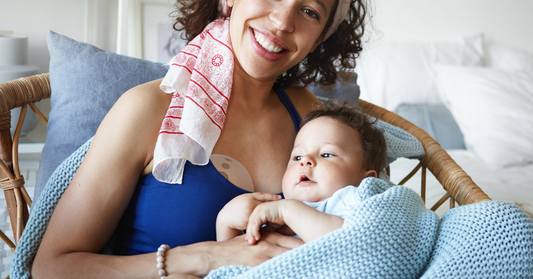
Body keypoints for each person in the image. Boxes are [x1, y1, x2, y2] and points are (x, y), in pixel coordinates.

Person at [31, 0, 370, 277]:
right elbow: (52, 268)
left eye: (310, 11)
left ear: (320, 37)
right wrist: (205, 257)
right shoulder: (148, 109)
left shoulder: (313, 119)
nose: (283, 21)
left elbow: (373, 221)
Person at [216, 101, 387, 244]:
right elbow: (234, 261)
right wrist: (226, 225)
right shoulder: (270, 216)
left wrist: (287, 211)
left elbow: (355, 242)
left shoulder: (352, 201)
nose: (305, 161)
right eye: (297, 157)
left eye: (326, 154)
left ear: (367, 180)